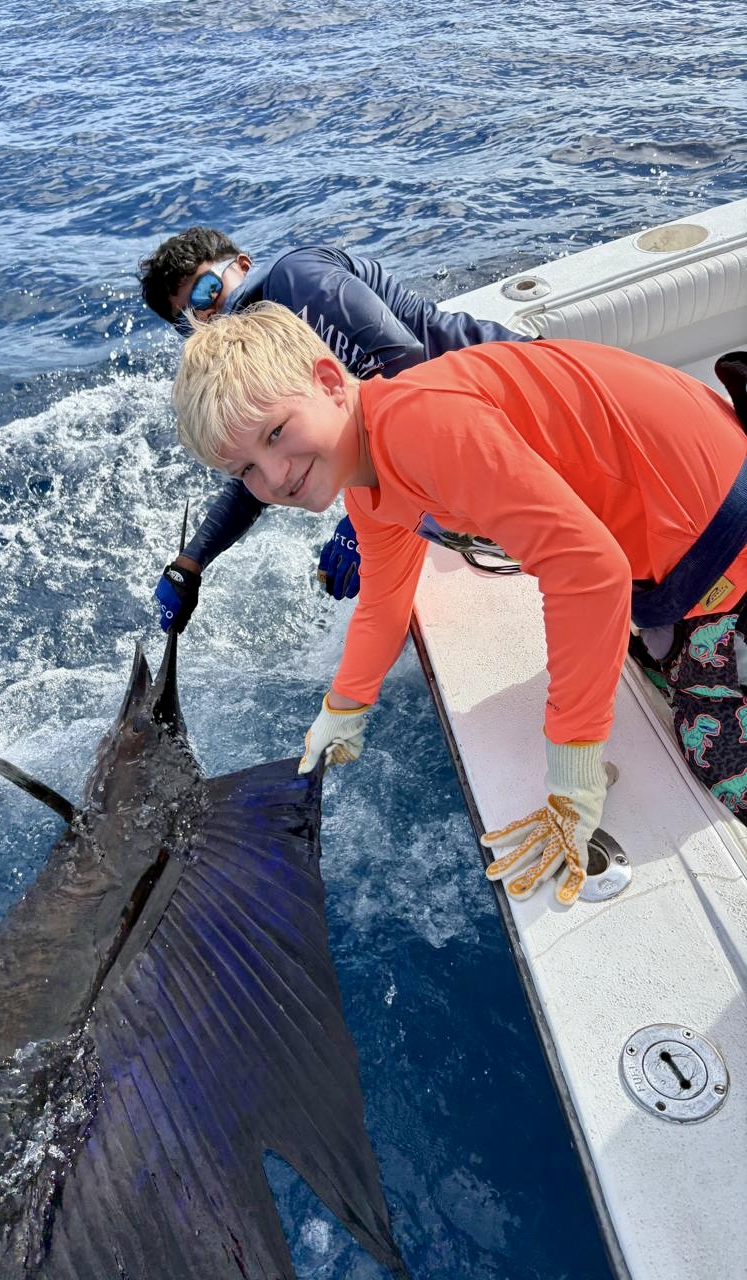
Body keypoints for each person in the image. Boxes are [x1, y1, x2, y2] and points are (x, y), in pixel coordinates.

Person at [170, 301, 747, 907]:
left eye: (276, 434)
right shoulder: (369, 481)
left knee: (721, 757)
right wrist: (344, 706)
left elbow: (588, 571)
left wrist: (573, 773)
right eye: (246, 471)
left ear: (328, 382)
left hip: (722, 534)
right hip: (671, 541)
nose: (275, 475)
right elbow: (383, 600)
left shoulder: (421, 427)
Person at [137, 227, 529, 633]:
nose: (207, 317)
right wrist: (190, 563)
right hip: (463, 451)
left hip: (514, 399)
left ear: (242, 266)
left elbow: (407, 366)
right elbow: (262, 465)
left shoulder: (294, 278)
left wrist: (367, 521)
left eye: (206, 293)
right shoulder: (258, 352)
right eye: (188, 321)